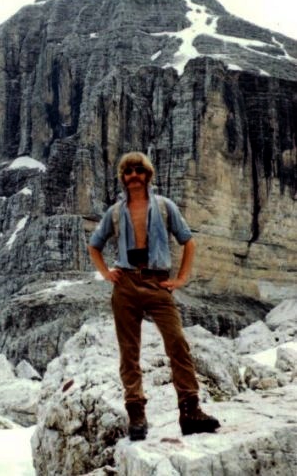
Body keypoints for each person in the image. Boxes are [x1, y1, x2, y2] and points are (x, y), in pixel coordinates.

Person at [87, 151, 220, 440]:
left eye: (139, 170)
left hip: (158, 285)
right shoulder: (114, 212)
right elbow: (94, 245)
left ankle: (190, 410)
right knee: (129, 352)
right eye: (128, 171)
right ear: (122, 178)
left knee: (177, 344)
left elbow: (189, 241)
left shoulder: (164, 206)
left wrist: (181, 279)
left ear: (148, 175)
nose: (133, 175)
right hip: (125, 287)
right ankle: (136, 415)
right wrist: (107, 273)